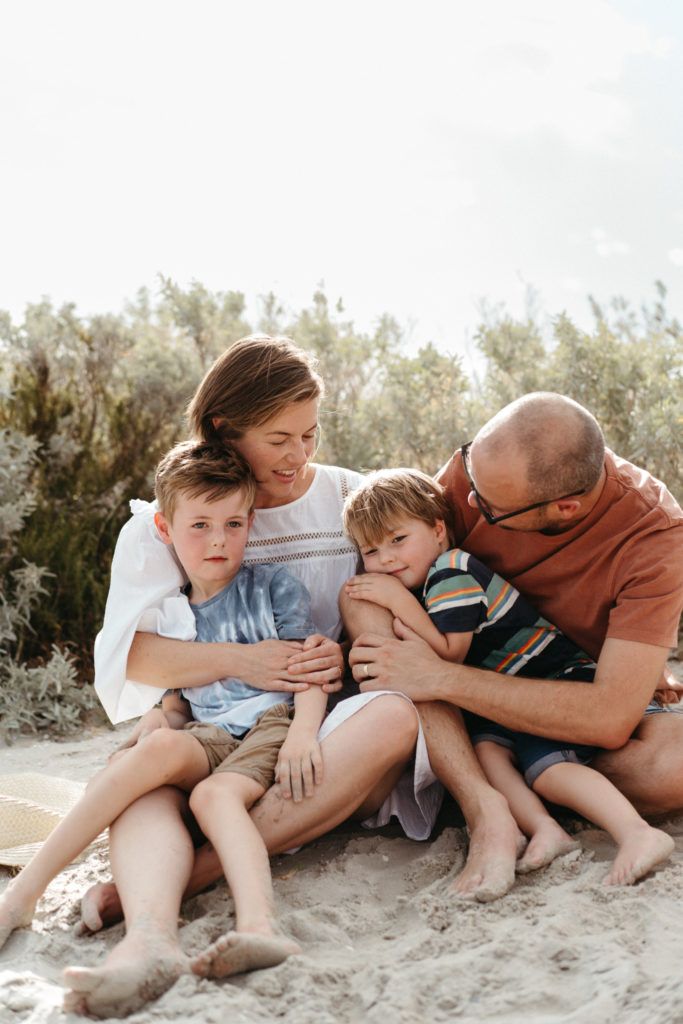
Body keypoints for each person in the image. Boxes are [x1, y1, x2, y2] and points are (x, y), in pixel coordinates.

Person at [65, 335, 476, 1019]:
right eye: (279, 438)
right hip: (212, 719)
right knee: (148, 758)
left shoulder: (350, 499)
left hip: (320, 727)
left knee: (393, 716)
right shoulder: (175, 519)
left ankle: (185, 878)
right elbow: (134, 657)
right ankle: (147, 940)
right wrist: (246, 662)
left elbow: (404, 586)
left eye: (310, 434)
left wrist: (348, 653)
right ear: (226, 429)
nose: (298, 455)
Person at [0, 441, 330, 973]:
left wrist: (303, 732)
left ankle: (260, 927)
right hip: (209, 733)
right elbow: (181, 700)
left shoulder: (272, 587)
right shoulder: (172, 612)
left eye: (233, 524)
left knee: (214, 798)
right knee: (154, 748)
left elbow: (309, 670)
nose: (219, 540)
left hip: (270, 725)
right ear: (165, 529)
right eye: (199, 525)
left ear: (250, 523)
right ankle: (22, 896)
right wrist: (161, 719)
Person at [348, 393, 683, 830]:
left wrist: (438, 677)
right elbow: (395, 565)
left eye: (489, 507)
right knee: (361, 597)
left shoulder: (653, 538)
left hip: (565, 684)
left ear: (565, 508)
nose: (467, 502)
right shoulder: (476, 477)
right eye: (469, 472)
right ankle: (482, 791)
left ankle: (493, 768)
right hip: (462, 676)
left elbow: (608, 718)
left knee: (669, 770)